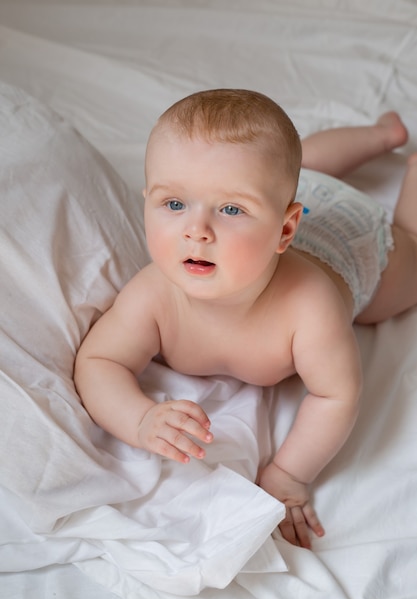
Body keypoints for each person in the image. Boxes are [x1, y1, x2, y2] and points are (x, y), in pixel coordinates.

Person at [74, 88, 417, 549]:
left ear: (285, 230)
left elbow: (336, 394)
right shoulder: (154, 293)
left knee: (409, 261)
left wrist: (288, 474)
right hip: (296, 197)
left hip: (347, 243)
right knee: (302, 170)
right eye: (174, 203)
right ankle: (381, 134)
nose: (196, 229)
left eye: (231, 209)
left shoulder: (310, 307)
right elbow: (99, 362)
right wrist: (139, 419)